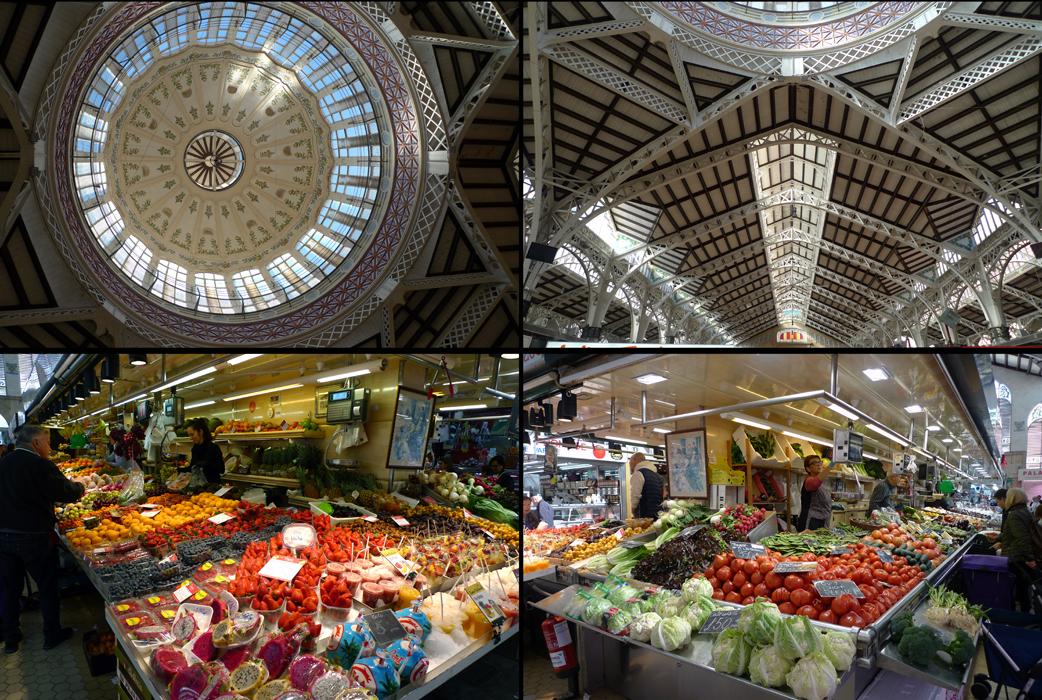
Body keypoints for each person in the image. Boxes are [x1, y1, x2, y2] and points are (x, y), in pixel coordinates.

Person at [0, 424, 87, 653]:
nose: (49, 447)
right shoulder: (39, 464)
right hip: (34, 537)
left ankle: (10, 639)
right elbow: (65, 492)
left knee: (9, 588)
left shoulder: (3, 463)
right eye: (48, 443)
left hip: (3, 537)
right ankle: (51, 636)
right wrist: (81, 486)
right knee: (47, 587)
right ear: (36, 442)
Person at [999, 488, 1038, 613]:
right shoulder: (1025, 511)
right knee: (1022, 591)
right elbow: (1018, 532)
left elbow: (1022, 538)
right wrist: (1000, 537)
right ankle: (1024, 616)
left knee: (1010, 590)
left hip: (1016, 559)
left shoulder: (1014, 514)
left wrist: (1029, 558)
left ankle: (1014, 618)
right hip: (1021, 557)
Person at [179, 418, 225, 484]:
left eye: (192, 435)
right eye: (189, 435)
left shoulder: (213, 448)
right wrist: (178, 470)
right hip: (199, 488)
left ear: (200, 432)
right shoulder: (194, 449)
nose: (190, 438)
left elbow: (221, 470)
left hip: (213, 487)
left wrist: (207, 464)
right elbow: (193, 467)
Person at [796, 455, 835, 531]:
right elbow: (815, 483)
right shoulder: (809, 481)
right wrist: (830, 465)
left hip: (821, 522)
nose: (819, 464)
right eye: (815, 463)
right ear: (808, 468)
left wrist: (831, 507)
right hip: (810, 523)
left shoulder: (821, 485)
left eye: (820, 462)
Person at [628, 453, 663, 519]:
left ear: (634, 461)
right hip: (658, 515)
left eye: (630, 464)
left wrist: (633, 511)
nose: (630, 466)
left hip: (645, 516)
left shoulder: (638, 474)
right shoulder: (657, 475)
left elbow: (635, 495)